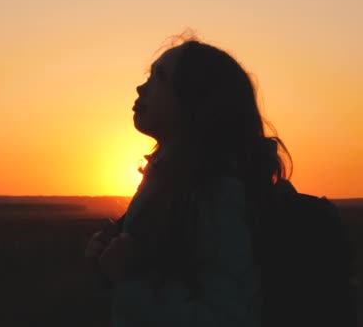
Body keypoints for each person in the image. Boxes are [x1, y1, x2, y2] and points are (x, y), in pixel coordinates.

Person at [85, 36, 292, 326]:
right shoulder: (169, 180)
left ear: (195, 100)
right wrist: (110, 257)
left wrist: (129, 279)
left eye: (159, 77)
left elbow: (226, 318)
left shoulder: (217, 194)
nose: (141, 87)